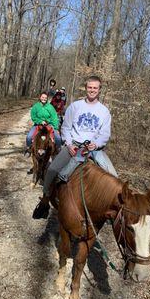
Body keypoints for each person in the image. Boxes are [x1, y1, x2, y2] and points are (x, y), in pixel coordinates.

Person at [33, 75, 117, 218]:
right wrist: (69, 143)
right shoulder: (75, 106)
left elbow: (105, 133)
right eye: (90, 87)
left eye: (95, 88)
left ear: (99, 90)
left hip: (94, 149)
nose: (92, 90)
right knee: (52, 170)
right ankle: (45, 200)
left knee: (115, 179)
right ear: (86, 88)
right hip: (74, 146)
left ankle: (111, 212)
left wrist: (96, 143)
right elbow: (66, 127)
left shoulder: (104, 111)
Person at [25, 92, 62, 157]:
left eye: (45, 98)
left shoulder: (50, 107)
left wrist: (56, 128)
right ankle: (28, 149)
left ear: (47, 99)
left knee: (58, 138)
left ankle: (58, 149)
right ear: (40, 97)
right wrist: (40, 121)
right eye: (43, 97)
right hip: (38, 124)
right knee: (29, 137)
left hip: (49, 124)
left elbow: (54, 117)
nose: (44, 99)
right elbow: (33, 117)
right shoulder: (36, 106)